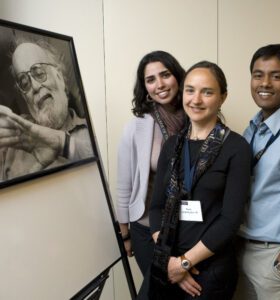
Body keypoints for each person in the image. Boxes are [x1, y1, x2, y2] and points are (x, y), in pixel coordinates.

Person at [148, 61, 251, 299]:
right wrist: (169, 261)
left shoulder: (236, 147)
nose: (196, 100)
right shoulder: (172, 145)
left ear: (222, 97)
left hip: (210, 272)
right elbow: (156, 208)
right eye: (190, 90)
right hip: (167, 263)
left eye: (207, 92)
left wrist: (184, 264)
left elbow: (230, 220)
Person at [234, 44, 280, 300]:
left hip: (275, 257)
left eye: (276, 75)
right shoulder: (252, 129)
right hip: (242, 249)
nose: (265, 83)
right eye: (258, 74)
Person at [116, 50, 186, 276]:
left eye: (165, 75)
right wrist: (125, 234)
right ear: (144, 87)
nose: (160, 84)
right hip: (146, 230)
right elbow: (124, 184)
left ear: (177, 77)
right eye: (150, 79)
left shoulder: (197, 115)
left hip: (190, 230)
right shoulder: (136, 127)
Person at [0, 40, 93, 180]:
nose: (35, 87)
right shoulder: (11, 145)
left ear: (59, 77)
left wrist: (64, 144)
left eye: (39, 73)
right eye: (25, 83)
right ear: (25, 98)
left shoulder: (90, 131)